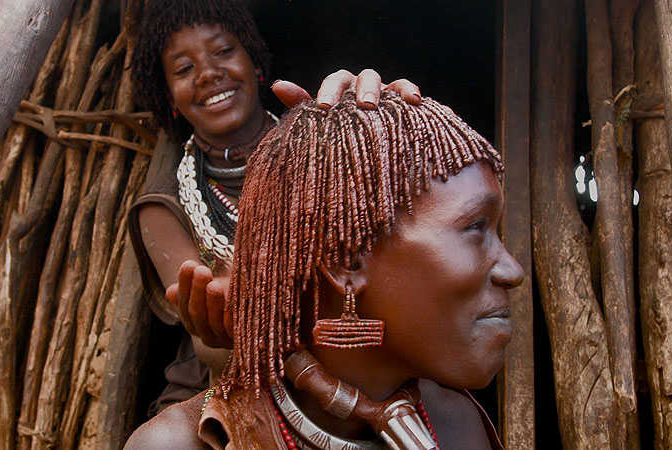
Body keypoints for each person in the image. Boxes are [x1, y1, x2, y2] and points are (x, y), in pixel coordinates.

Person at [125, 91, 525, 449]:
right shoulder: (185, 444)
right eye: (475, 228)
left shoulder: (455, 426)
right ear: (346, 261)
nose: (513, 270)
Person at [127, 0, 423, 414]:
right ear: (168, 95)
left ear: (256, 63)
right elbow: (212, 350)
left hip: (358, 362)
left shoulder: (324, 141)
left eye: (224, 51)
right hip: (228, 388)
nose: (209, 73)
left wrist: (381, 123)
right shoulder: (163, 207)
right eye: (183, 69)